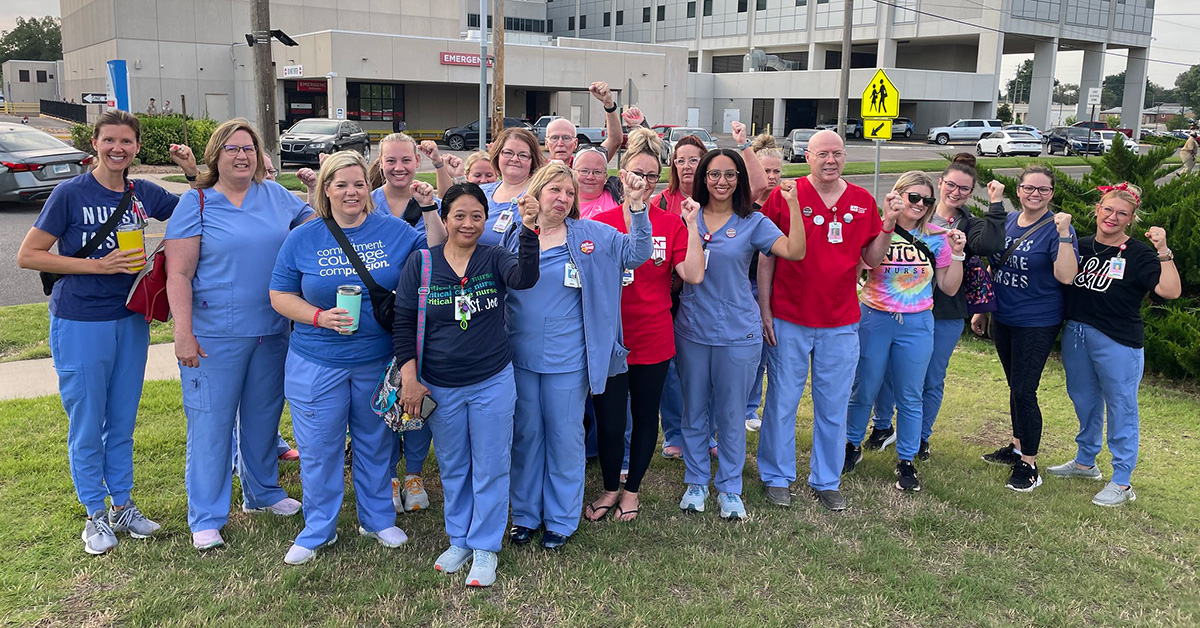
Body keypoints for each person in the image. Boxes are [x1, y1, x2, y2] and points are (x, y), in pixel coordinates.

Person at [16, 110, 197, 555]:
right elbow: (29, 255)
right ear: (94, 144)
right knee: (86, 421)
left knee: (121, 419)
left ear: (137, 147)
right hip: (80, 320)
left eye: (127, 142)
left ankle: (123, 505)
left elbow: (199, 207)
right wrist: (96, 265)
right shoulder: (70, 193)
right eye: (109, 140)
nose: (118, 148)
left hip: (129, 318)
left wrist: (192, 171)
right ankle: (94, 513)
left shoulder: (143, 193)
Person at [165, 118, 312, 550]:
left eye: (248, 148)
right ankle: (206, 516)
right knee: (211, 426)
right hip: (214, 337)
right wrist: (183, 332)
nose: (242, 156)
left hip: (271, 331)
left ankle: (262, 493)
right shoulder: (198, 203)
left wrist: (323, 183)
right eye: (232, 149)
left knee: (263, 419)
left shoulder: (276, 196)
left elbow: (322, 221)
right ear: (215, 156)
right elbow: (179, 273)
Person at [266, 151, 417, 564]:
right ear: (325, 189)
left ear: (369, 188)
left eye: (359, 184)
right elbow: (279, 295)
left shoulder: (396, 232)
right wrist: (318, 316)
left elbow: (440, 253)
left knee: (376, 443)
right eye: (341, 184)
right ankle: (319, 529)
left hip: (375, 359)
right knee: (319, 448)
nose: (351, 192)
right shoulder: (303, 237)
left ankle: (377, 519)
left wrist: (436, 199)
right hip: (316, 361)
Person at [392, 183, 540, 587]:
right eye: (459, 215)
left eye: (477, 215)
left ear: (486, 219)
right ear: (444, 218)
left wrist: (529, 230)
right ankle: (459, 539)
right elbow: (403, 322)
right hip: (440, 384)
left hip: (492, 379)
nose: (468, 223)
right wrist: (410, 376)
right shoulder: (422, 263)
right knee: (455, 466)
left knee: (491, 466)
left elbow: (524, 278)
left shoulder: (495, 257)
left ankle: (486, 546)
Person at [501, 162, 652, 549]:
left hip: (568, 360)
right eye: (555, 190)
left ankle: (561, 520)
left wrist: (637, 208)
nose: (563, 198)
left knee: (566, 438)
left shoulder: (591, 235)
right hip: (519, 357)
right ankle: (526, 516)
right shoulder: (511, 233)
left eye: (569, 193)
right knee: (526, 436)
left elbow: (636, 254)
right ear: (536, 191)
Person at [755, 129, 892, 511]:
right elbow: (767, 255)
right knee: (782, 399)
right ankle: (776, 475)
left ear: (845, 156)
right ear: (808, 157)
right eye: (822, 154)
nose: (830, 160)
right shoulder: (787, 196)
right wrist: (764, 308)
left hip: (840, 320)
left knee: (832, 403)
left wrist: (889, 225)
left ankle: (826, 479)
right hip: (789, 315)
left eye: (837, 153)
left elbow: (873, 257)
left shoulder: (862, 201)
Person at [675, 148, 807, 520]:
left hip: (738, 332)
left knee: (732, 415)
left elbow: (794, 251)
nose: (722, 182)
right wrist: (687, 226)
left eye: (730, 175)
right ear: (703, 178)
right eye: (714, 174)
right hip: (693, 329)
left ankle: (730, 488)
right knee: (694, 410)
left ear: (740, 180)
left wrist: (794, 205)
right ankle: (697, 480)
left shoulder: (753, 222)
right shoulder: (688, 216)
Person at [585, 129, 705, 523]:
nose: (645, 181)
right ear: (622, 174)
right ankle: (608, 488)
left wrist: (693, 227)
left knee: (646, 417)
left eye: (653, 176)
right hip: (611, 339)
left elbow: (692, 274)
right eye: (638, 172)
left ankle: (632, 490)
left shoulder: (669, 223)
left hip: (654, 336)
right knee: (611, 419)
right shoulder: (598, 223)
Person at [865, 154, 1007, 460]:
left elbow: (991, 244)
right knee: (886, 373)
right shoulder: (907, 213)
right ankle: (882, 425)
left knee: (929, 379)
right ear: (940, 184)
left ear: (972, 193)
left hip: (944, 311)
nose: (956, 192)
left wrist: (996, 204)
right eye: (951, 185)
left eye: (965, 189)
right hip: (898, 308)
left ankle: (920, 438)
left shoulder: (968, 225)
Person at [1049, 183, 1180, 505]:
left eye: (1122, 213)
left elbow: (1170, 291)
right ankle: (1085, 462)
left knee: (1122, 407)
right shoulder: (1079, 245)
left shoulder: (1138, 253)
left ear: (1131, 219)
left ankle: (1122, 481)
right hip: (1077, 334)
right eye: (1107, 209)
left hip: (1118, 341)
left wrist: (1163, 249)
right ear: (1097, 209)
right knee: (1084, 401)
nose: (1112, 217)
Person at [842, 172, 966, 492]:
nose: (920, 205)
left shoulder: (939, 236)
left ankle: (906, 460)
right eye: (914, 197)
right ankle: (851, 445)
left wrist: (958, 254)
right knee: (864, 387)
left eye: (927, 200)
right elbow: (864, 264)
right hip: (875, 317)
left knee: (910, 394)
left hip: (917, 322)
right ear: (898, 195)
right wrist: (888, 220)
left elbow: (949, 287)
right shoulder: (876, 227)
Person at [971, 165, 1078, 492]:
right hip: (1004, 317)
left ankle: (1029, 464)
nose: (1035, 194)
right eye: (1029, 188)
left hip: (1037, 320)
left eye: (1043, 190)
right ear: (1018, 190)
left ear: (1052, 194)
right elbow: (994, 265)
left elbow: (1066, 276)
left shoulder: (1057, 227)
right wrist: (984, 309)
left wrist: (1063, 235)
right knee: (1014, 385)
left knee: (1024, 390)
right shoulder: (1010, 221)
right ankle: (1017, 445)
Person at [356, 133, 448, 512]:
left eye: (406, 160)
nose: (398, 168)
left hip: (420, 315)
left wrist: (429, 207)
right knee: (382, 398)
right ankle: (387, 476)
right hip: (374, 317)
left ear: (417, 161)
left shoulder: (430, 201)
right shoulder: (365, 203)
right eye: (390, 161)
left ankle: (414, 474)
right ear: (380, 162)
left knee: (415, 394)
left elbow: (442, 248)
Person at [745, 132, 784, 432]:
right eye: (766, 171)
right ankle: (743, 406)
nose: (771, 178)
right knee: (751, 351)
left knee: (767, 351)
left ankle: (751, 407)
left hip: (775, 288)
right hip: (745, 286)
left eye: (776, 171)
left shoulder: (785, 204)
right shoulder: (744, 205)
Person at [478, 128, 546, 246]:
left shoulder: (539, 197)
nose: (514, 159)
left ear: (532, 160)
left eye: (523, 155)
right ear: (498, 155)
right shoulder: (481, 192)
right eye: (508, 153)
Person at [544, 82, 624, 166]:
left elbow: (615, 140)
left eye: (566, 138)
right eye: (554, 138)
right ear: (546, 143)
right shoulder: (536, 170)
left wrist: (609, 105)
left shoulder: (584, 167)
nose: (560, 143)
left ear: (575, 143)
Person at [574, 147, 621, 219]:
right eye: (584, 171)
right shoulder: (564, 202)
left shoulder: (619, 194)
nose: (590, 177)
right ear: (573, 173)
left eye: (597, 172)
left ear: (605, 176)